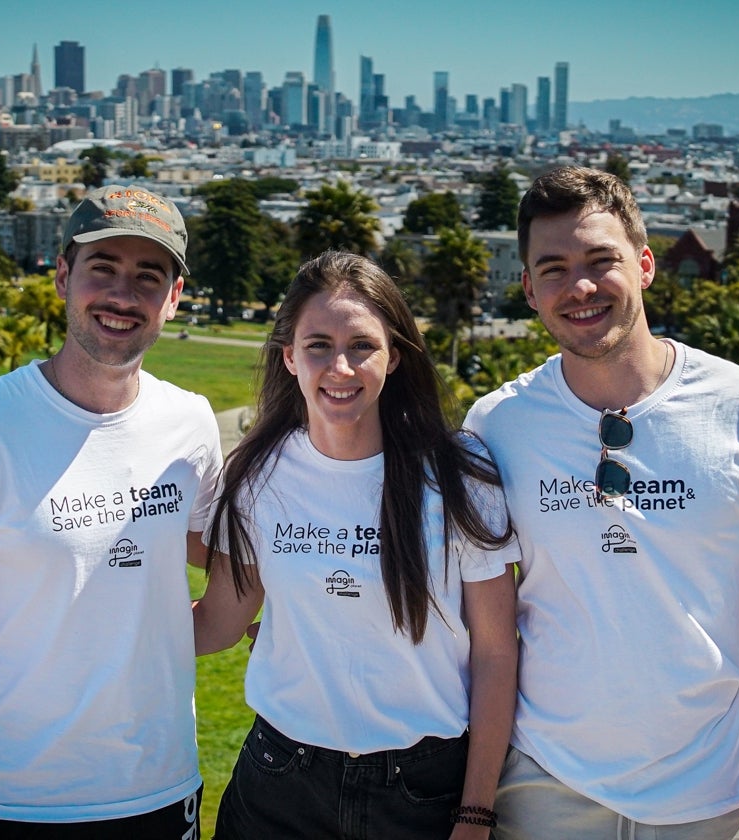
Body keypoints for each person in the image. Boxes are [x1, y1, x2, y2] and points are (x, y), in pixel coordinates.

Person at [464, 166, 739, 840]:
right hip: (549, 785)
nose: (578, 286)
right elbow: (477, 617)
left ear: (644, 264)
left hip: (718, 791)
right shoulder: (497, 426)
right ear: (527, 288)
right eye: (552, 268)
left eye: (600, 261)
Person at [0, 185, 221, 839]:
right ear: (63, 276)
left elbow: (229, 551)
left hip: (159, 790)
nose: (122, 296)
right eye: (102, 270)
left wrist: (304, 620)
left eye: (148, 278)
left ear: (173, 299)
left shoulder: (190, 422)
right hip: (1, 804)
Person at [192, 251, 520, 839]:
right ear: (289, 357)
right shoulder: (258, 474)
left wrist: (474, 812)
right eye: (318, 345)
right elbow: (218, 622)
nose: (339, 366)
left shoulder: (459, 474)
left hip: (422, 790)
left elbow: (496, 655)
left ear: (394, 356)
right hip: (280, 779)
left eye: (362, 346)